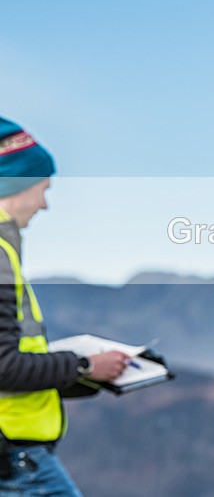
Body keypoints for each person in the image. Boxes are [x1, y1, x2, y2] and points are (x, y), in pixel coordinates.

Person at [0, 116, 130, 496]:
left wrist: (84, 376)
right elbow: (4, 366)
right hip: (16, 462)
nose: (44, 204)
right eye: (43, 188)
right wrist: (86, 364)